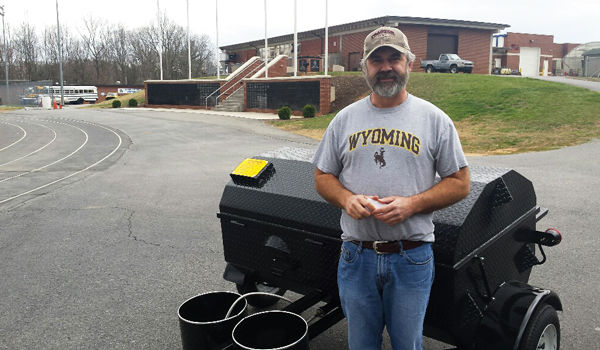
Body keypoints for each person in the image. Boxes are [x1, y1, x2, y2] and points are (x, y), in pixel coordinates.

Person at [311, 27, 470, 350]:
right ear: (365, 68)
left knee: (407, 345)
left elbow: (460, 183)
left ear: (409, 63)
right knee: (361, 345)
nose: (386, 67)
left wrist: (412, 205)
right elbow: (322, 176)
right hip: (356, 256)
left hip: (411, 257)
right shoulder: (344, 120)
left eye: (394, 58)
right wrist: (346, 198)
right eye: (377, 60)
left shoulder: (434, 120)